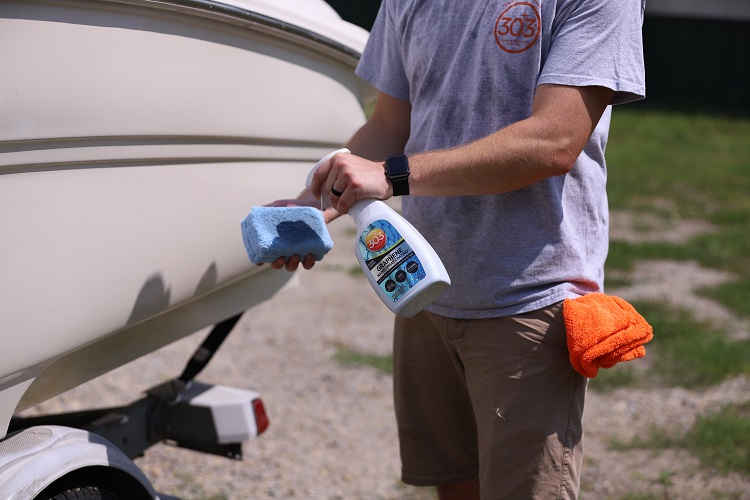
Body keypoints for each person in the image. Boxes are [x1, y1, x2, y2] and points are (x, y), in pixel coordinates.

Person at [268, 0, 646, 498]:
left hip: (530, 300)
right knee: (454, 485)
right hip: (420, 285)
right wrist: (312, 206)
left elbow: (554, 140)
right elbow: (388, 125)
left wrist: (393, 176)